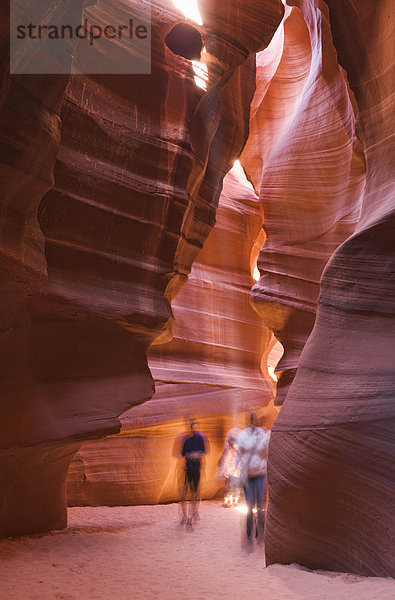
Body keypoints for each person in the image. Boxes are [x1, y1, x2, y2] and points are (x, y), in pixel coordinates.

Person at [236, 413, 270, 547]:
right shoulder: (243, 435)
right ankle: (250, 533)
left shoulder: (263, 435)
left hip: (260, 475)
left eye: (254, 419)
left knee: (260, 505)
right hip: (249, 476)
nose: (252, 422)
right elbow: (239, 455)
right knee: (251, 506)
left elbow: (267, 453)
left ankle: (259, 532)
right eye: (251, 420)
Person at [180, 419, 207, 528]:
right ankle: (186, 515)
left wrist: (197, 455)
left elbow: (204, 451)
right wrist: (190, 455)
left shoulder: (200, 438)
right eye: (193, 428)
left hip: (196, 468)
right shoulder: (186, 440)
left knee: (194, 493)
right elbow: (182, 453)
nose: (194, 430)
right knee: (186, 493)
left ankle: (191, 515)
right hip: (188, 469)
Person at [216, 426, 242, 507]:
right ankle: (228, 502)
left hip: (236, 471)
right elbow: (224, 461)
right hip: (230, 472)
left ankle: (234, 501)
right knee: (229, 487)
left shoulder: (239, 453)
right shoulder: (228, 452)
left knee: (236, 487)